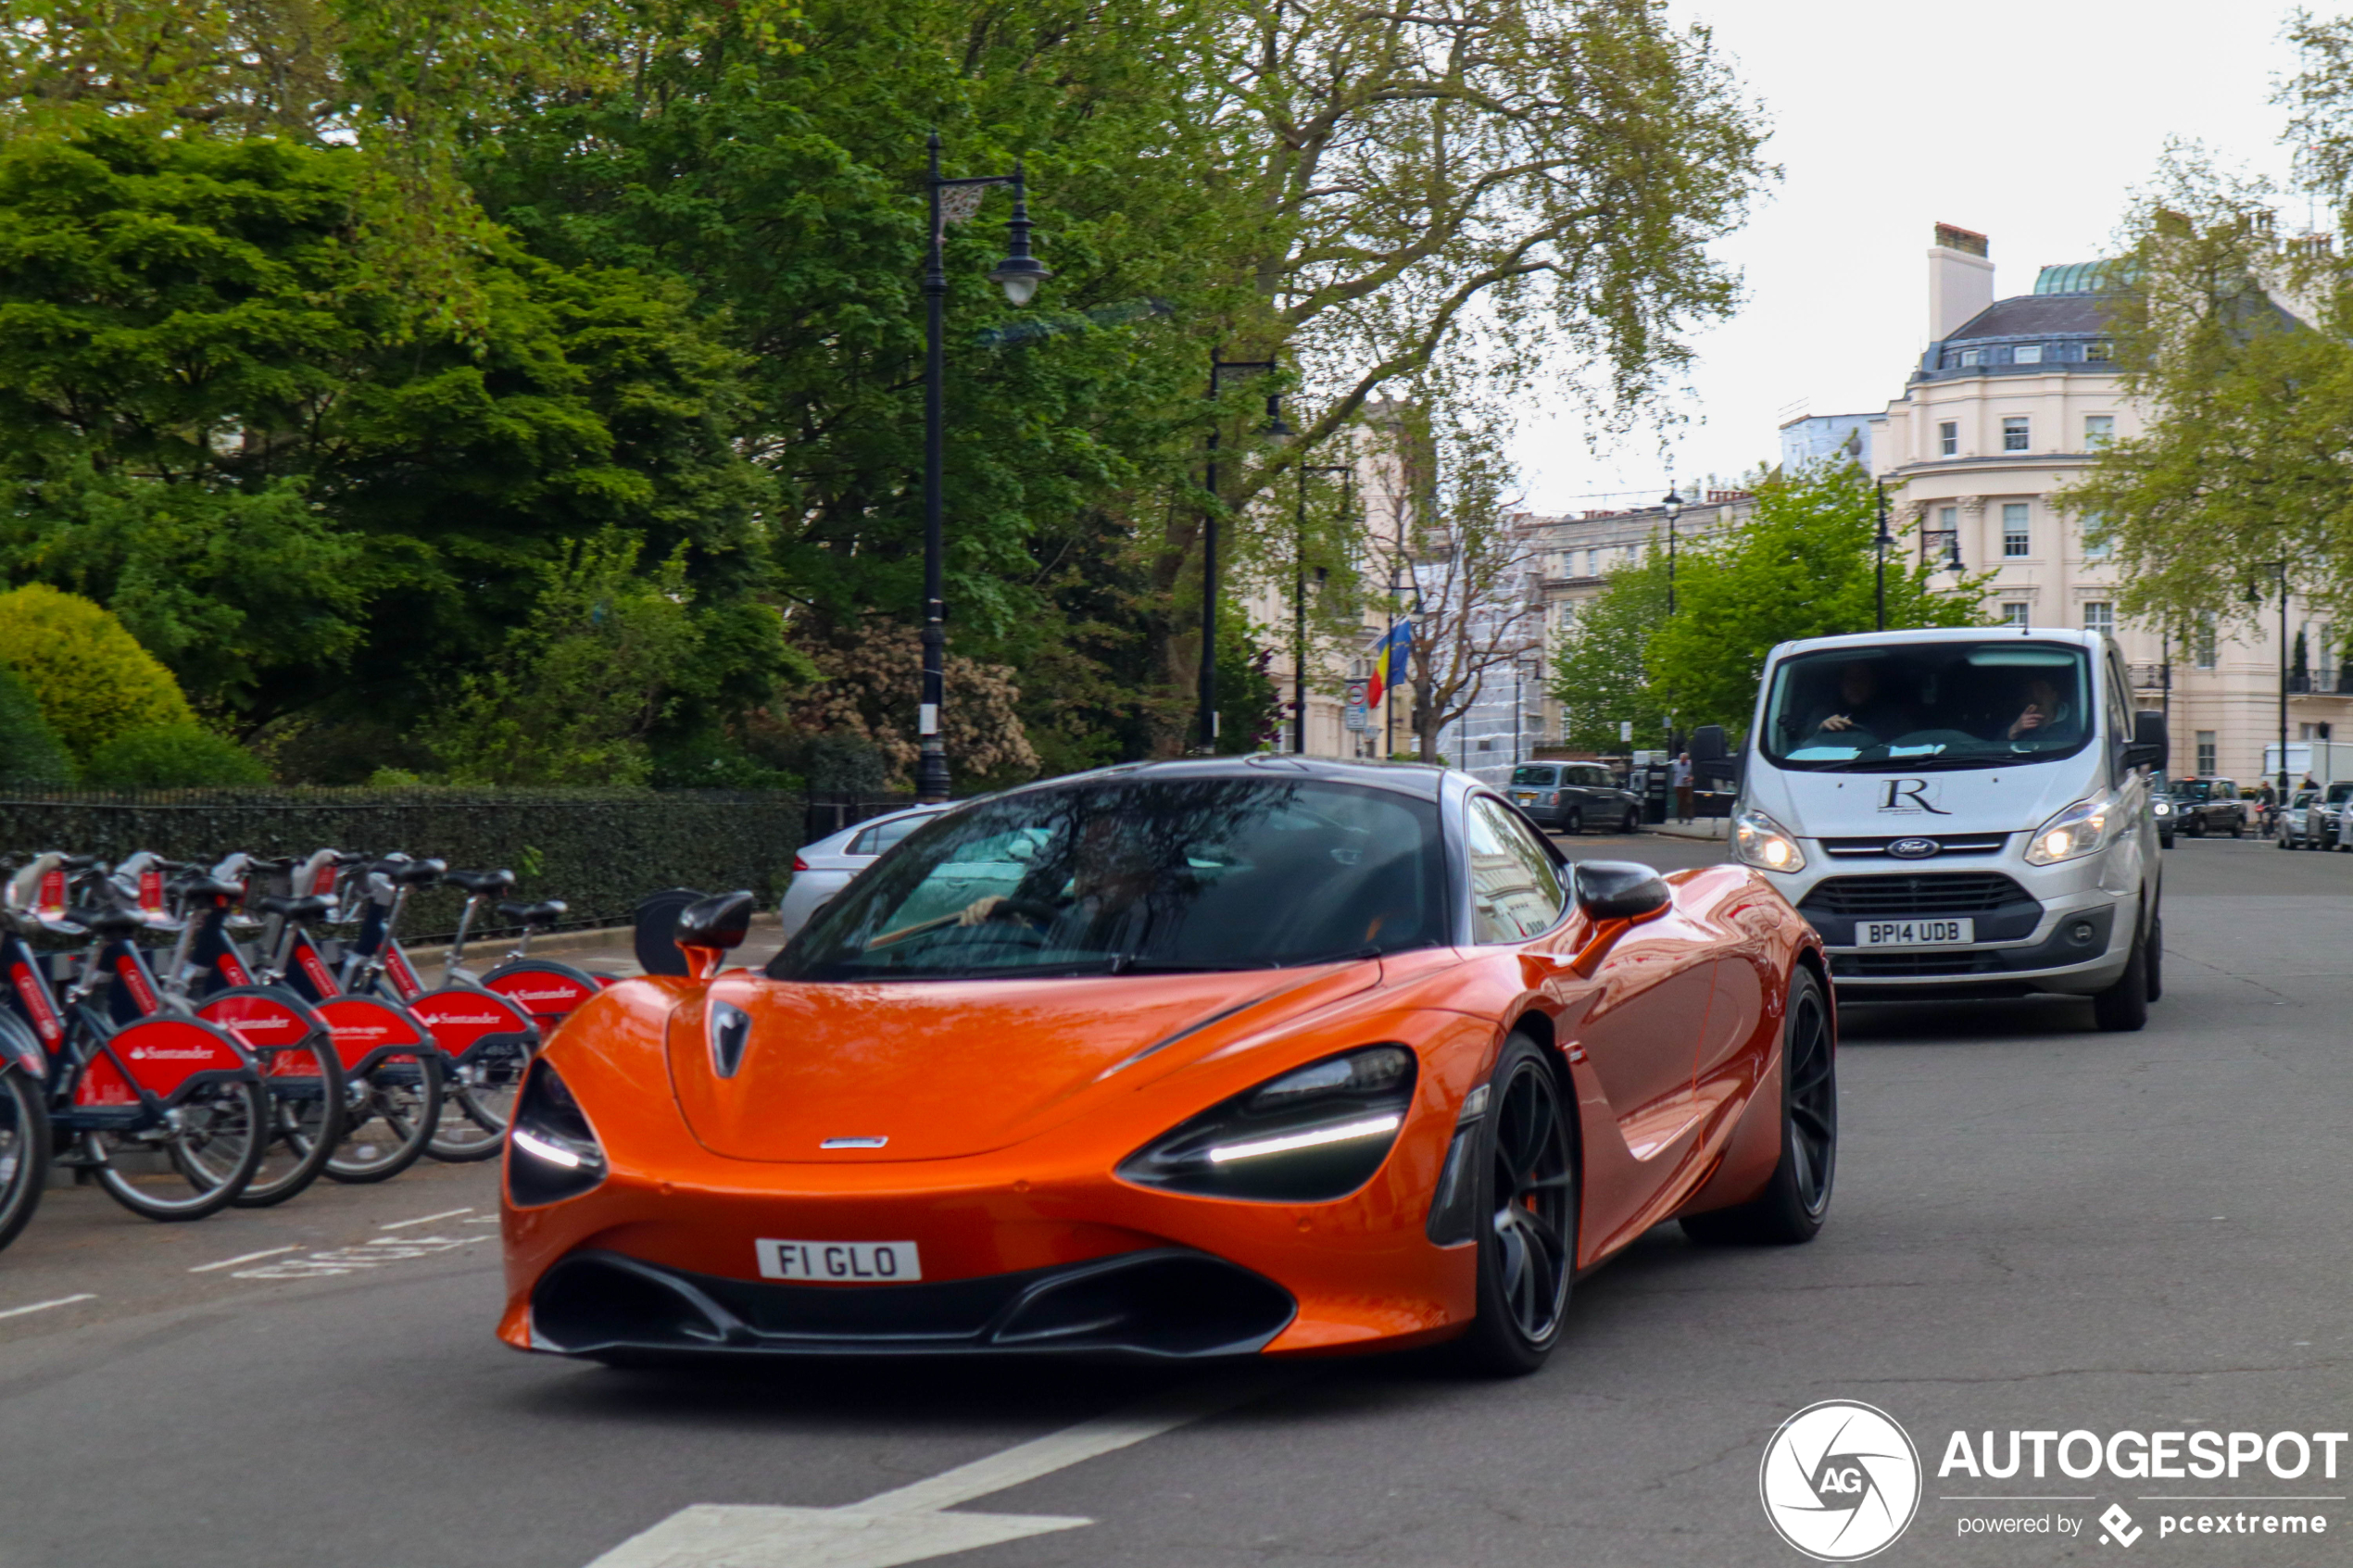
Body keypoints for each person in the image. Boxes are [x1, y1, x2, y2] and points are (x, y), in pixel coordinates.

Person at [1801, 661, 1912, 743]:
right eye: (1850, 679)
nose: (1855, 686)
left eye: (1861, 679)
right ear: (1841, 685)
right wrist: (1821, 728)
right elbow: (1804, 741)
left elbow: (1905, 744)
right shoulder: (1824, 712)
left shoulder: (1892, 717)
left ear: (1873, 685)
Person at [1670, 751, 1693, 823]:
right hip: (1679, 785)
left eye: (1685, 759)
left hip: (1688, 785)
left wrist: (1690, 779)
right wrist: (1674, 784)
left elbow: (1692, 775)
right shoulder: (1676, 765)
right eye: (1683, 759)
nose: (1684, 760)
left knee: (1689, 801)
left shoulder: (1689, 765)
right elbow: (1674, 775)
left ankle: (1689, 817)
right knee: (1680, 802)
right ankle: (1680, 817)